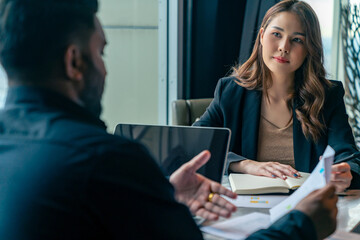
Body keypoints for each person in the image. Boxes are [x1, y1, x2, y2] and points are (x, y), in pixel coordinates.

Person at [0, 0, 337, 239]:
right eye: (101, 52)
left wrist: (164, 194)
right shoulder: (107, 161)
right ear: (74, 62)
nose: (105, 68)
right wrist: (302, 226)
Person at [194, 0, 360, 192]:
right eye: (277, 34)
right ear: (262, 36)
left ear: (309, 49)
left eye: (297, 40)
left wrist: (345, 172)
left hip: (307, 207)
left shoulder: (327, 95)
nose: (284, 47)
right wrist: (245, 164)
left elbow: (348, 155)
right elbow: (197, 144)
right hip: (244, 207)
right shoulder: (231, 91)